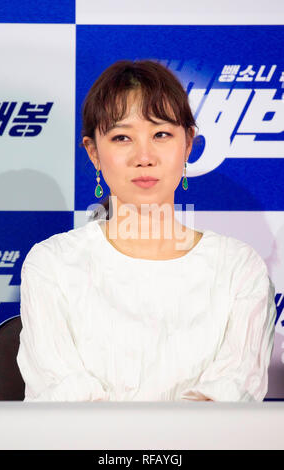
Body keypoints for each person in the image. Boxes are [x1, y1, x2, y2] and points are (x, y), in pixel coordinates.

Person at [17, 59, 277, 402]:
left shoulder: (239, 270)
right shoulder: (51, 265)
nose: (144, 156)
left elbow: (228, 403)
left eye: (161, 134)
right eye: (122, 137)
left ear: (187, 146)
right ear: (93, 152)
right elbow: (66, 407)